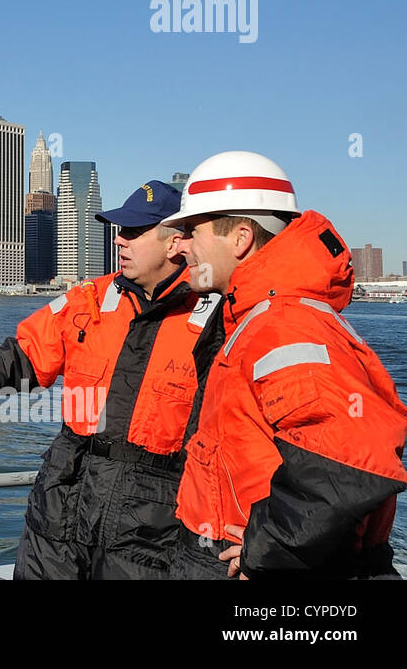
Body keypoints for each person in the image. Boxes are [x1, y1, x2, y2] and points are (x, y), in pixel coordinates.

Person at [0, 180, 224, 579]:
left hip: (150, 528)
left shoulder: (215, 318)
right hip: (61, 506)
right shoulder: (90, 300)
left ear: (174, 243)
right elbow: (18, 360)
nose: (119, 241)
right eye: (119, 231)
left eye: (133, 232)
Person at [159, 151, 407, 579]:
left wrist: (268, 547)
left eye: (189, 230)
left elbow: (351, 460)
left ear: (240, 238)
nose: (179, 246)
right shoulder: (255, 317)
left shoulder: (284, 325)